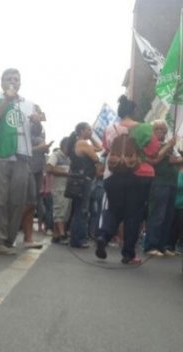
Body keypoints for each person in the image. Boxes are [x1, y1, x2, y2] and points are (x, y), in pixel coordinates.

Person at [95, 95, 159, 265]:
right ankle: (128, 254)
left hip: (114, 176)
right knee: (133, 215)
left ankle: (103, 235)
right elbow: (153, 151)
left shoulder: (110, 128)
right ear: (134, 111)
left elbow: (107, 148)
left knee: (114, 210)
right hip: (138, 176)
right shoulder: (145, 128)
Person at [0, 68, 41, 254]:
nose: (12, 81)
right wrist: (7, 100)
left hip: (22, 157)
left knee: (17, 201)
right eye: (8, 78)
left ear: (20, 83)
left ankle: (8, 239)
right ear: (2, 83)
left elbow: (36, 133)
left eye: (16, 79)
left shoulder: (29, 104)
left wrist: (37, 122)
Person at [144, 120, 181, 257]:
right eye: (157, 128)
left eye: (162, 129)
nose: (160, 131)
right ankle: (151, 245)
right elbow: (155, 159)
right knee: (157, 215)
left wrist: (175, 160)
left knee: (167, 216)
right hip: (159, 182)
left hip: (172, 183)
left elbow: (179, 158)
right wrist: (168, 146)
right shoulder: (151, 145)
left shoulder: (170, 145)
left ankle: (162, 245)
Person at [65, 122, 103, 248]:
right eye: (88, 130)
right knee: (82, 210)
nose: (90, 132)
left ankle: (76, 237)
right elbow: (96, 158)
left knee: (79, 209)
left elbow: (99, 147)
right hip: (84, 180)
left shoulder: (79, 143)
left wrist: (91, 137)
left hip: (78, 180)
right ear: (81, 131)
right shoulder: (82, 143)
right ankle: (78, 239)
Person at [46, 138, 71, 244]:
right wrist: (65, 172)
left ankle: (56, 234)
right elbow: (49, 168)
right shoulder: (56, 155)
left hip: (67, 188)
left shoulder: (70, 157)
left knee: (65, 212)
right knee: (59, 211)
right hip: (59, 188)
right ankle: (61, 234)